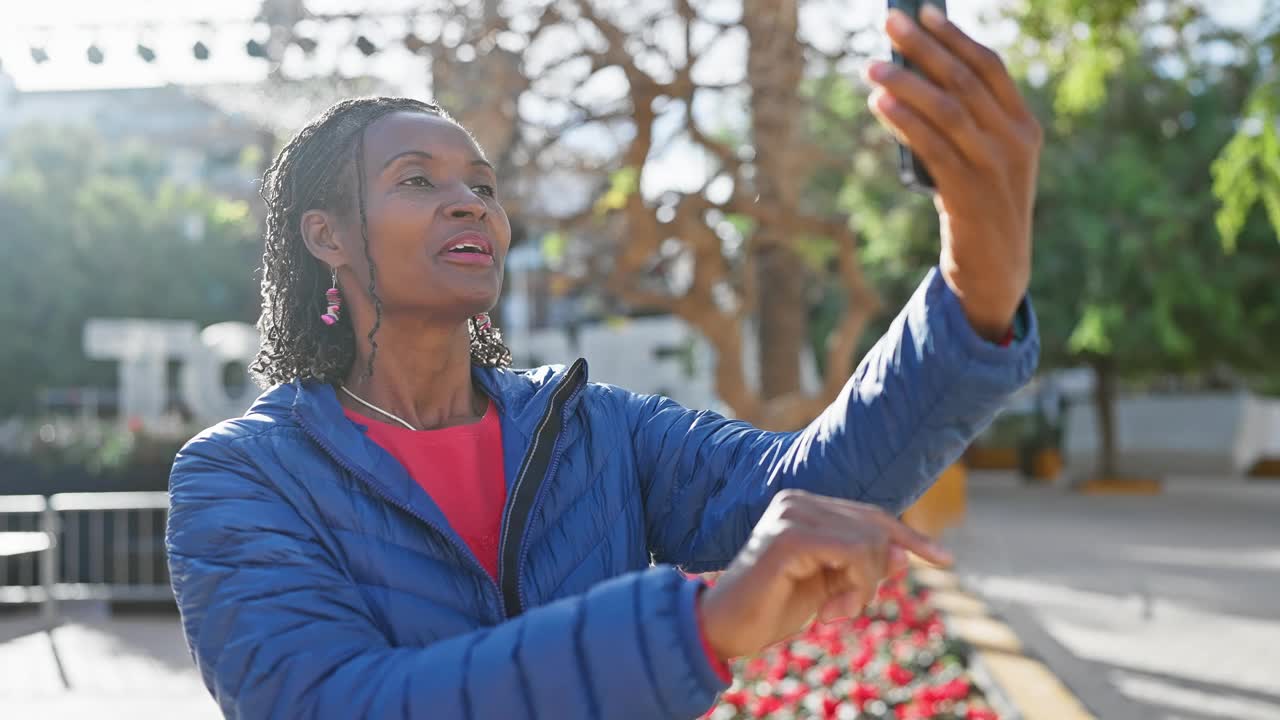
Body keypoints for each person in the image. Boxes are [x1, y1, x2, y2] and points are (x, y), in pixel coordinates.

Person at [166, 7, 1041, 719]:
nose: (469, 202)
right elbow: (332, 703)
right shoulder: (241, 477)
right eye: (418, 181)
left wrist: (977, 280)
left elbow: (808, 482)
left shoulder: (591, 426)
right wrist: (695, 627)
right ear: (326, 236)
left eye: (483, 185)